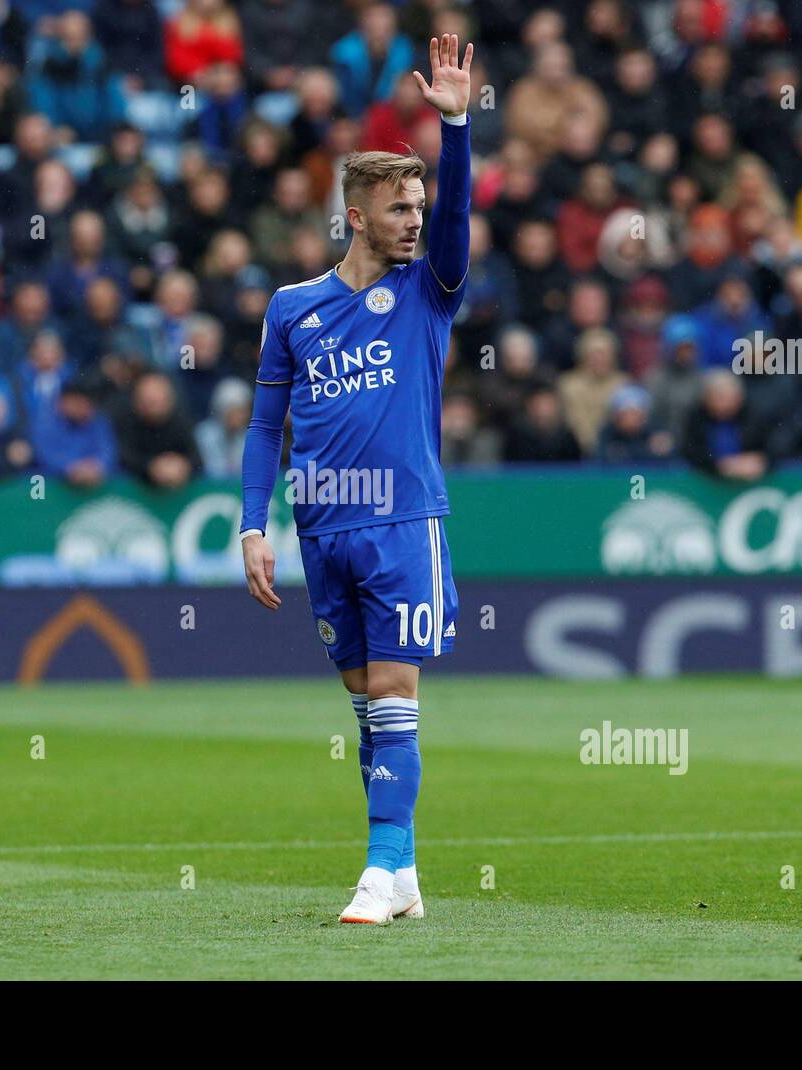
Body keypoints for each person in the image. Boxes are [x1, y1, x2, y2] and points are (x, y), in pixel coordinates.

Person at [240, 34, 472, 925]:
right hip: (321, 528)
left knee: (394, 698)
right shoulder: (292, 309)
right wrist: (252, 525)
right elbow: (267, 425)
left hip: (404, 522)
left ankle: (379, 868)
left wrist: (454, 125)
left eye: (419, 204)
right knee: (366, 709)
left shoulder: (430, 291)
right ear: (357, 217)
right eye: (400, 208)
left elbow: (454, 227)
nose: (416, 219)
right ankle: (404, 873)